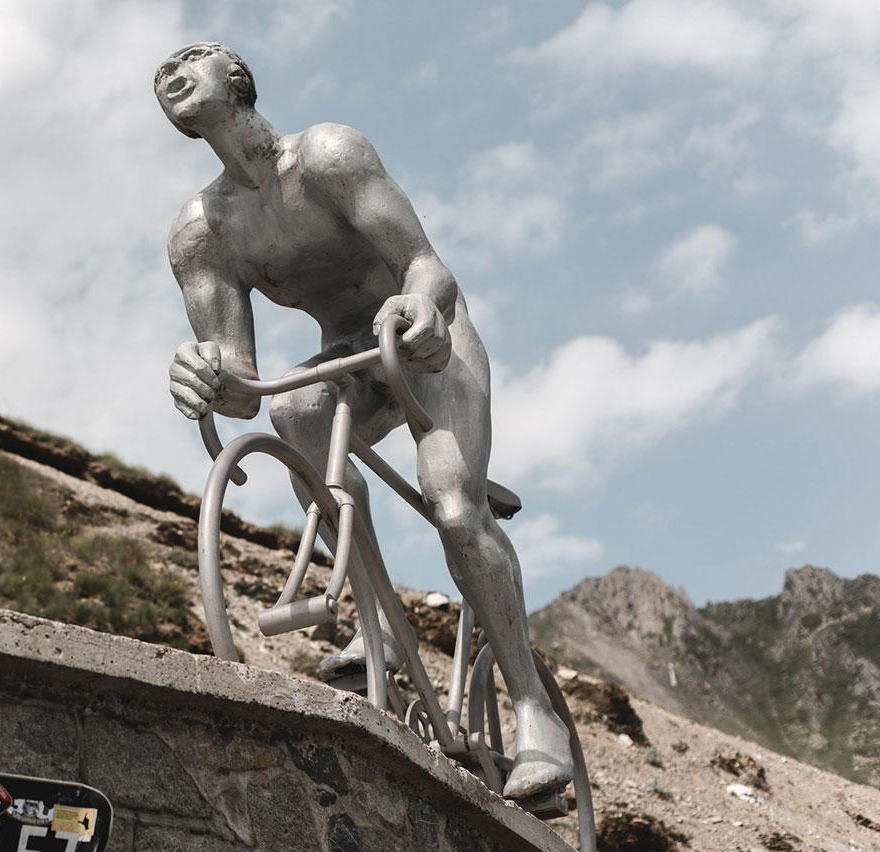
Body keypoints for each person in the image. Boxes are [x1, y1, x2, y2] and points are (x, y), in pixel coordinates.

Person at [156, 42, 570, 799]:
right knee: (294, 412)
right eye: (159, 76)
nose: (170, 74)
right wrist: (204, 374)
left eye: (190, 57)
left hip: (422, 337)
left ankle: (536, 712)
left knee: (452, 507)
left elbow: (426, 265)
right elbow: (243, 386)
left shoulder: (327, 156)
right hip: (348, 355)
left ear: (237, 77)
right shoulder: (202, 232)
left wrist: (422, 308)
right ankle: (381, 623)